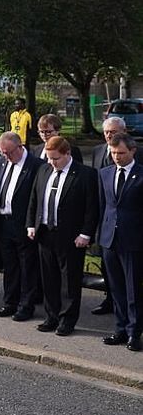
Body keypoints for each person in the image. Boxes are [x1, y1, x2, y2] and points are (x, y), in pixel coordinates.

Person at [26, 136, 99, 336]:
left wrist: (86, 233)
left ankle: (67, 319)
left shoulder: (85, 175)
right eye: (49, 158)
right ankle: (51, 316)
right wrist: (31, 225)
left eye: (56, 158)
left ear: (67, 154)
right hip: (45, 233)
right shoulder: (44, 170)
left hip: (71, 236)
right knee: (48, 278)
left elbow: (92, 208)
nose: (51, 162)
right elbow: (34, 199)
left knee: (70, 280)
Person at [89, 116, 143, 315]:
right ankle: (116, 318)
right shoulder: (101, 161)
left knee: (132, 286)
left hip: (132, 236)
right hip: (108, 233)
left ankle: (133, 329)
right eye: (106, 133)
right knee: (114, 282)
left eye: (113, 132)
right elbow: (101, 201)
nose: (109, 136)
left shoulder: (138, 162)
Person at [0, 132, 45, 321]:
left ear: (20, 147)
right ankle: (10, 302)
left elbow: (37, 198)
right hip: (3, 222)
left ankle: (26, 305)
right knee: (10, 266)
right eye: (2, 152)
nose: (5, 156)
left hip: (23, 224)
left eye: (9, 152)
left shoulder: (35, 166)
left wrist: (33, 224)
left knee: (27, 266)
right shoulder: (3, 162)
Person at [97, 133, 143, 351]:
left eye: (121, 153)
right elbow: (103, 206)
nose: (117, 157)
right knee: (116, 288)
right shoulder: (105, 174)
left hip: (133, 240)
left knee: (133, 289)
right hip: (109, 239)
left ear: (132, 151)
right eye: (114, 153)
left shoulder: (141, 175)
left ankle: (135, 332)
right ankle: (121, 329)